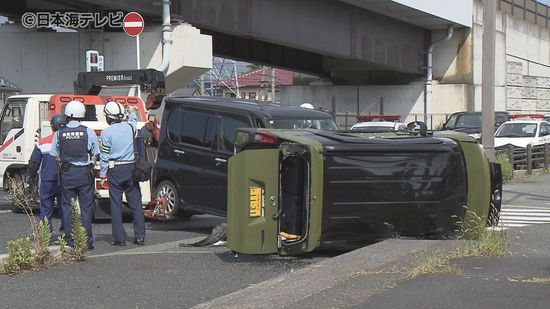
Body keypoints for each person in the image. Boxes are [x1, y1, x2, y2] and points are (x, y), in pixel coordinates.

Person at [49, 100, 99, 250]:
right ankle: (88, 241)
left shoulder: (59, 133)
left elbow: (54, 154)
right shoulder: (88, 131)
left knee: (67, 208)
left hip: (67, 173)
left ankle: (70, 241)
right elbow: (95, 153)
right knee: (86, 208)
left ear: (68, 115)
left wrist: (65, 159)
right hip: (84, 174)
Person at [99, 102, 145, 246]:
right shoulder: (131, 127)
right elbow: (133, 120)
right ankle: (140, 237)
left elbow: (104, 156)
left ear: (108, 117)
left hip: (115, 170)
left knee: (116, 204)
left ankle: (119, 239)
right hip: (131, 168)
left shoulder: (106, 132)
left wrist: (102, 175)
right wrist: (131, 111)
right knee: (136, 204)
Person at [25, 114, 66, 233]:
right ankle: (66, 232)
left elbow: (34, 163)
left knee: (46, 207)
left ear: (52, 126)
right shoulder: (68, 142)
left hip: (47, 181)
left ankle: (45, 233)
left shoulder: (43, 142)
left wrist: (30, 179)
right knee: (65, 207)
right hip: (65, 180)